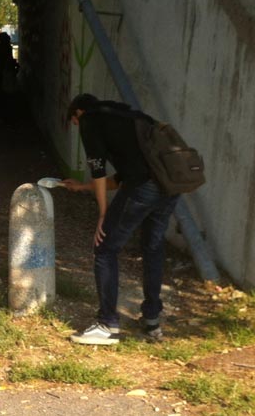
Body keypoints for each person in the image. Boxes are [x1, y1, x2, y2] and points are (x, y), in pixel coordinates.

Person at [62, 93, 180, 345]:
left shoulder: (90, 120)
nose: (77, 128)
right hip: (169, 185)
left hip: (144, 187)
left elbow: (98, 170)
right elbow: (120, 178)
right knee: (153, 247)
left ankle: (107, 325)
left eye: (74, 122)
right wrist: (83, 188)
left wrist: (103, 215)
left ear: (78, 113)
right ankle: (151, 321)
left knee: (104, 249)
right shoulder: (128, 116)